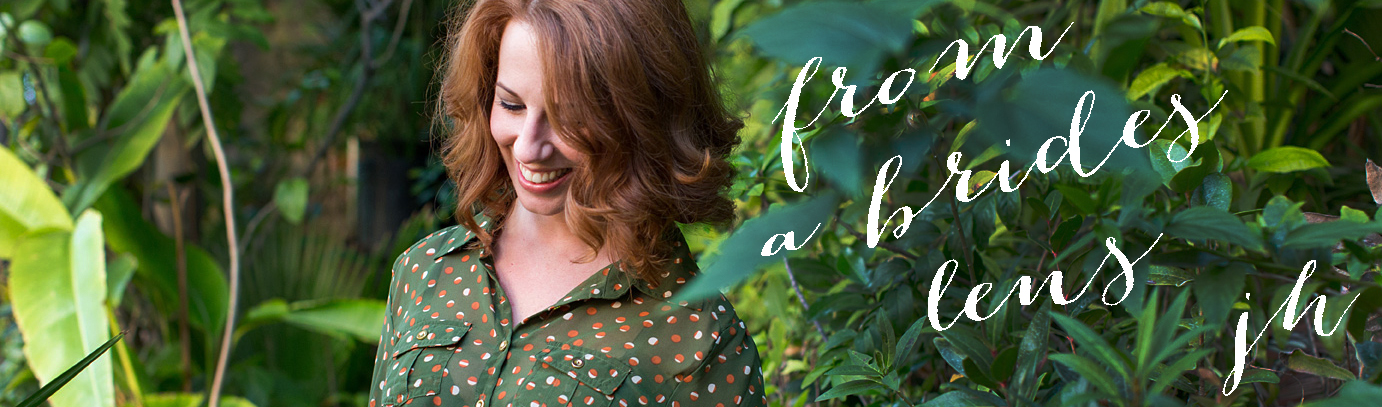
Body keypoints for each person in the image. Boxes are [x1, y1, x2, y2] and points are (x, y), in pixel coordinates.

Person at [366, 1, 766, 406]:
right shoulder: (425, 271)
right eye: (511, 104)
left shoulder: (702, 340)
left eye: (569, 117)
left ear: (644, 119)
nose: (528, 147)